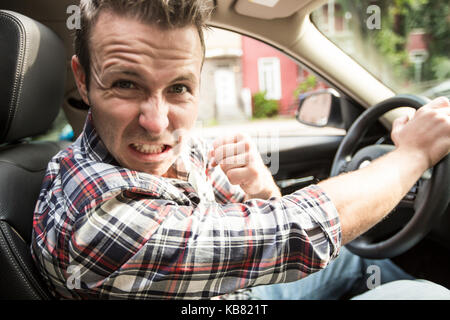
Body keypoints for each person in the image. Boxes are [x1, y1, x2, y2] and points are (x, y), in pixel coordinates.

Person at [31, 0, 450, 300]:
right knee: (424, 293)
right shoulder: (95, 215)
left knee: (354, 262)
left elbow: (261, 225)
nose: (157, 123)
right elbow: (294, 236)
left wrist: (262, 187)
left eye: (178, 88)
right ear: (83, 79)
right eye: (125, 84)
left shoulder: (169, 151)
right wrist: (412, 155)